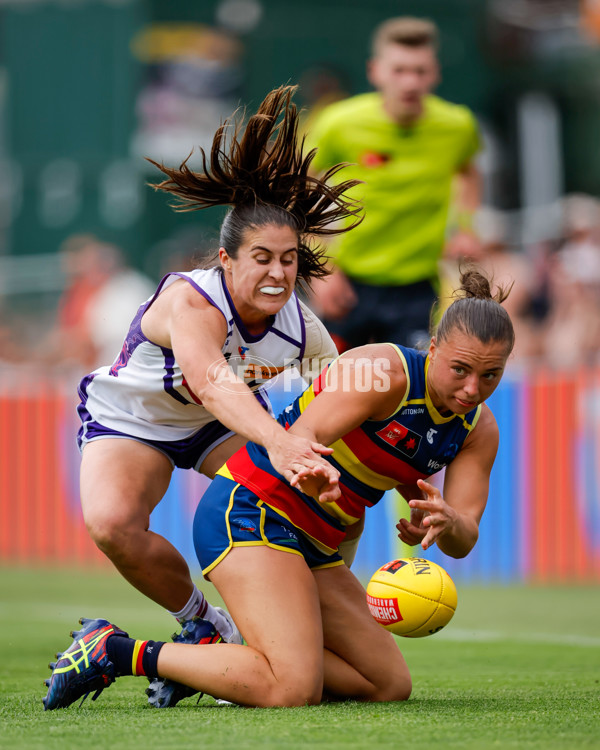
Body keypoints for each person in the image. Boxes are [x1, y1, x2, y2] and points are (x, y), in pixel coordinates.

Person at [44, 268, 515, 710]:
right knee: (291, 688)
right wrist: (312, 469)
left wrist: (449, 522)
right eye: (460, 369)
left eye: (490, 375)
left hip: (315, 541)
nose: (473, 389)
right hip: (253, 510)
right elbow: (302, 440)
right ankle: (115, 651)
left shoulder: (479, 430)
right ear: (433, 348)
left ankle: (215, 665)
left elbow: (464, 536)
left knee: (388, 685)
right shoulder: (383, 372)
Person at [75, 85, 362, 705]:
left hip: (222, 427)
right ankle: (203, 625)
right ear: (227, 259)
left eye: (289, 260)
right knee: (112, 524)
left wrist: (399, 465)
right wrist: (283, 443)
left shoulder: (303, 328)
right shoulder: (192, 300)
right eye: (261, 258)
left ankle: (312, 634)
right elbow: (210, 380)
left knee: (323, 497)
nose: (279, 273)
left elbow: (350, 394)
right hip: (137, 420)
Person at [307, 17, 482, 351]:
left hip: (417, 287)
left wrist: (466, 228)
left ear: (436, 73)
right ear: (376, 71)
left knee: (410, 392)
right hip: (348, 283)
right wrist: (321, 269)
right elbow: (301, 186)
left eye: (420, 71)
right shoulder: (339, 123)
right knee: (333, 388)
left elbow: (469, 172)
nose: (410, 82)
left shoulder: (458, 126)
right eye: (399, 70)